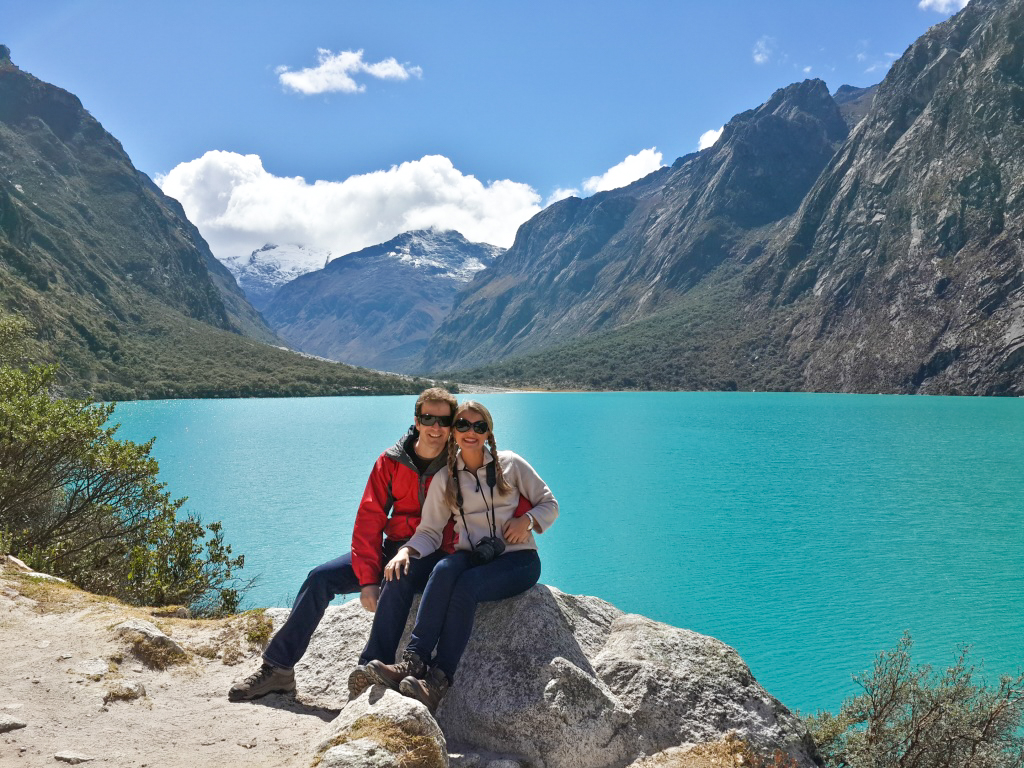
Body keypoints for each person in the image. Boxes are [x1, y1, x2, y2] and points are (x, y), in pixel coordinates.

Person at [228, 387, 459, 702]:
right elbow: (370, 518)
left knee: (396, 575)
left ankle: (369, 671)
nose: (436, 427)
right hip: (392, 547)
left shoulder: (459, 464)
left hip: (432, 553)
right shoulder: (391, 461)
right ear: (416, 421)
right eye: (428, 418)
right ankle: (278, 669)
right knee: (320, 578)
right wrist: (367, 580)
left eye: (443, 420)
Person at [364, 400, 558, 711]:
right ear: (454, 431)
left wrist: (528, 521)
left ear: (488, 432)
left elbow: (549, 504)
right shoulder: (446, 478)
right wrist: (405, 551)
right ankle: (414, 662)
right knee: (442, 569)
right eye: (463, 425)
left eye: (479, 426)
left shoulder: (510, 464)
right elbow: (429, 531)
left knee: (466, 586)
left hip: (518, 559)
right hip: (475, 555)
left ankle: (438, 681)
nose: (471, 432)